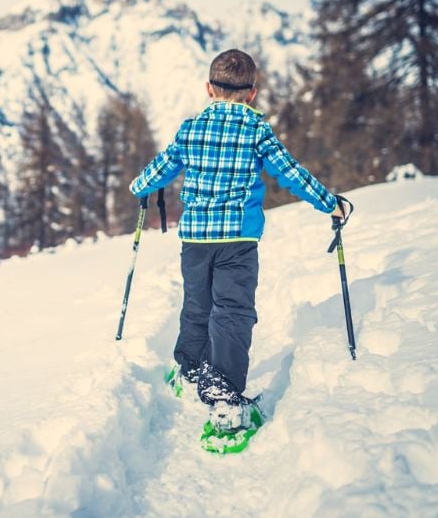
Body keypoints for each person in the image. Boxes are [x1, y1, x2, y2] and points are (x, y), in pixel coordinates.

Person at [129, 48, 346, 431]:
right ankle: (224, 397)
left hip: (195, 239)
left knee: (197, 304)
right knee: (231, 311)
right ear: (252, 93)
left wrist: (140, 186)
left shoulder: (190, 128)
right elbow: (290, 173)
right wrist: (330, 204)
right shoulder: (256, 130)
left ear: (209, 88)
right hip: (237, 239)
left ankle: (191, 368)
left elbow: (160, 169)